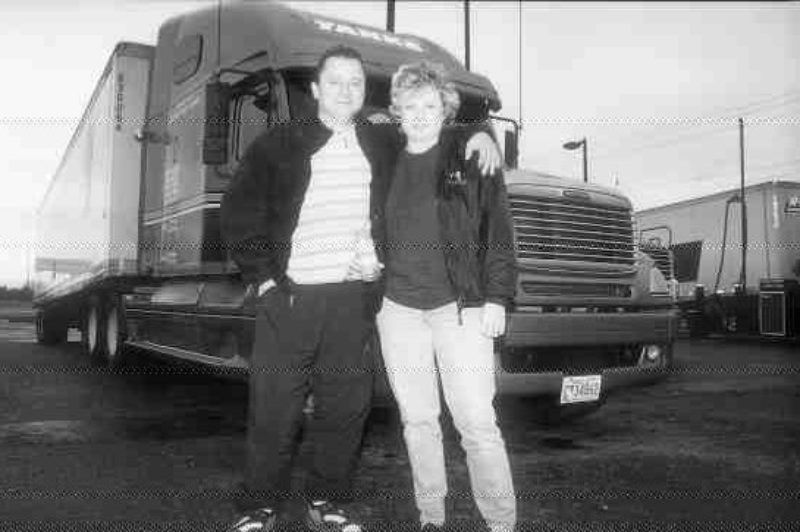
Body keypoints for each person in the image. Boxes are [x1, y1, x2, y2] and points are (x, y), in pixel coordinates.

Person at [220, 46, 501, 532]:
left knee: (345, 410)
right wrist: (264, 280)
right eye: (335, 81)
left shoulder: (380, 140)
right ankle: (259, 507)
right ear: (316, 89)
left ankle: (327, 504)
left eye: (355, 82)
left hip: (352, 301)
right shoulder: (278, 144)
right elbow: (239, 211)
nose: (346, 91)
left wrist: (481, 134)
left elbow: (432, 128)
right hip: (290, 298)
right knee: (274, 409)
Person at [375, 61, 518, 532]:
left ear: (445, 110)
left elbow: (498, 229)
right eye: (410, 105)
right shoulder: (384, 160)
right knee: (418, 421)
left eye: (430, 105)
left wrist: (497, 296)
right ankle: (431, 517)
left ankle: (500, 523)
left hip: (461, 308)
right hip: (397, 309)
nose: (420, 114)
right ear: (397, 111)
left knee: (476, 422)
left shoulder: (470, 154)